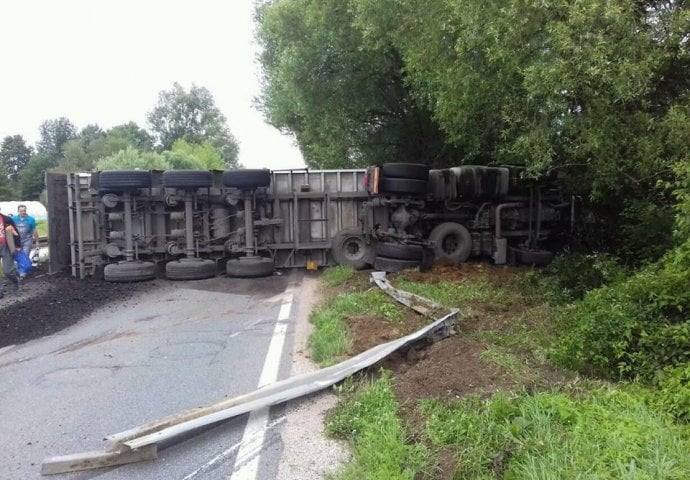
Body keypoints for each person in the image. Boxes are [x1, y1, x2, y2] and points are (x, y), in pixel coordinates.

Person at [12, 204, 39, 278]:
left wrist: (37, 241)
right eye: (21, 211)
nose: (23, 212)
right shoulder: (14, 219)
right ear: (18, 211)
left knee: (25, 255)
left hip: (27, 240)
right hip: (17, 241)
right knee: (17, 256)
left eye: (24, 211)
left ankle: (22, 272)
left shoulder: (31, 219)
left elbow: (34, 230)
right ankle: (19, 270)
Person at [0, 207, 21, 297]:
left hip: (6, 247)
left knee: (7, 271)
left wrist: (17, 246)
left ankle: (15, 281)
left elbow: (15, 233)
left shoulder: (7, 219)